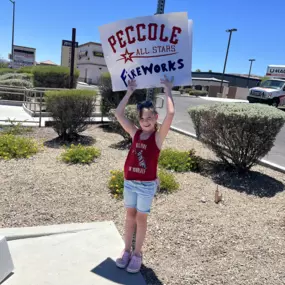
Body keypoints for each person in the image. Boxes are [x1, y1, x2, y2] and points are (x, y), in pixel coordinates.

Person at [114, 75, 175, 273]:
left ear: (156, 118)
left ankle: (137, 253)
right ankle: (126, 250)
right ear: (138, 120)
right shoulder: (135, 133)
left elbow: (171, 114)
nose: (145, 121)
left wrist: (168, 90)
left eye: (149, 117)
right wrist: (129, 92)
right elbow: (118, 113)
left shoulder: (157, 138)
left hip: (146, 185)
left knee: (141, 219)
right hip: (130, 183)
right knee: (129, 216)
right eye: (142, 118)